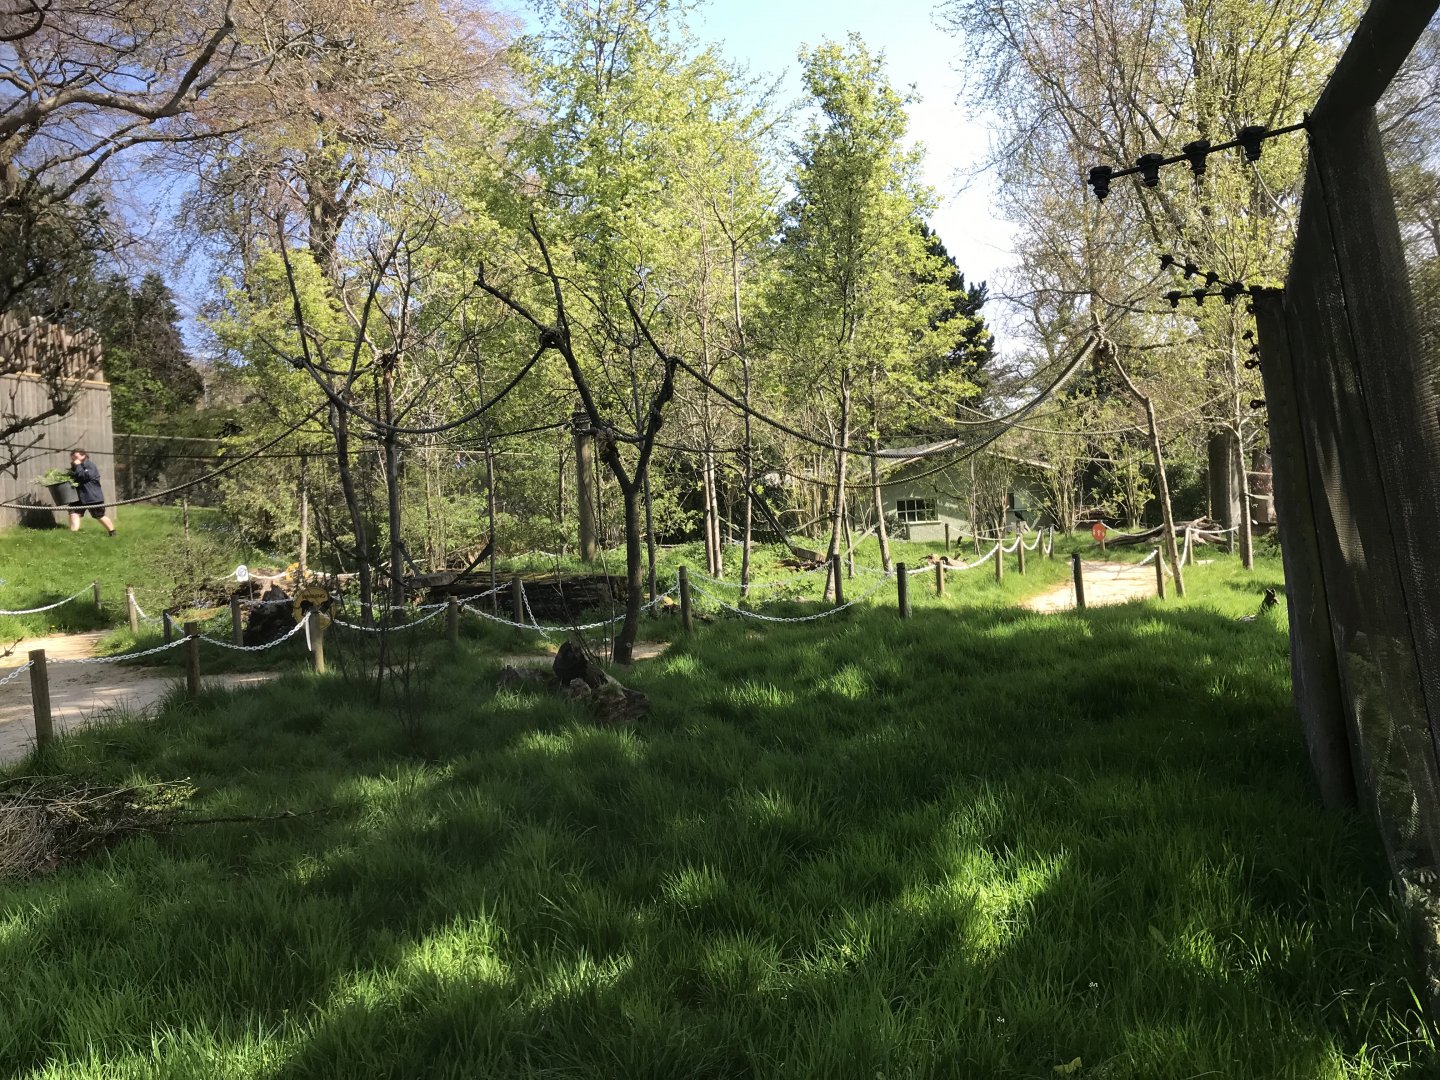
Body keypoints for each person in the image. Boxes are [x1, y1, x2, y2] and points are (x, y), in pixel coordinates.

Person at [67, 450, 115, 535]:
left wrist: (77, 465)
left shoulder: (90, 465)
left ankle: (112, 532)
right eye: (72, 457)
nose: (73, 458)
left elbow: (84, 476)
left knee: (99, 515)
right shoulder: (76, 466)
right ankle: (73, 535)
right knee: (74, 513)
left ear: (83, 456)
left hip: (92, 496)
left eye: (75, 456)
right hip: (79, 496)